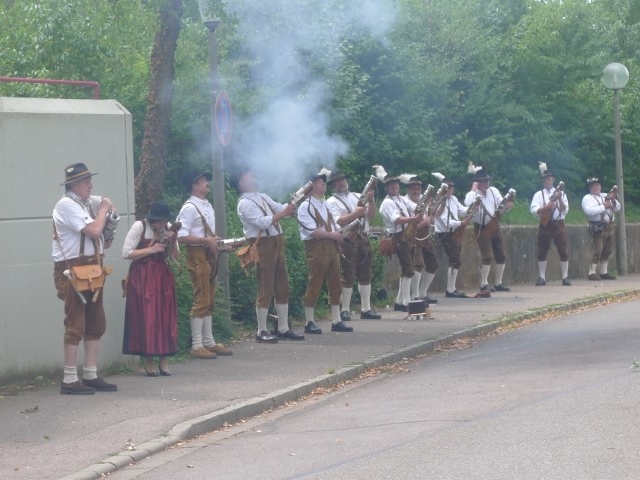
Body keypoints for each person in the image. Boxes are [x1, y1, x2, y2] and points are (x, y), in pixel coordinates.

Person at [52, 163, 118, 395]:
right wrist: (103, 211)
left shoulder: (83, 203)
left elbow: (103, 231)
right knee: (76, 322)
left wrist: (109, 214)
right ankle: (69, 379)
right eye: (85, 181)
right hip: (72, 269)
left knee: (96, 320)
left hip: (92, 267)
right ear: (73, 184)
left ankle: (90, 373)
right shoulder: (66, 204)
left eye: (90, 180)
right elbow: (93, 230)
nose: (91, 185)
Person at [231, 168, 305, 343]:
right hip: (263, 245)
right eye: (248, 174)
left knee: (282, 286)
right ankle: (261, 330)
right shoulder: (244, 203)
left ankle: (283, 328)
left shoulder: (262, 196)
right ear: (241, 181)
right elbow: (261, 222)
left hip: (276, 242)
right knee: (265, 288)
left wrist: (293, 205)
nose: (252, 175)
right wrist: (284, 213)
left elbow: (281, 209)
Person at [177, 170, 233, 359]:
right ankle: (196, 344)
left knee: (209, 300)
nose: (206, 183)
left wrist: (221, 244)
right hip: (196, 255)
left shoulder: (205, 205)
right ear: (194, 185)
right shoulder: (190, 207)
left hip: (208, 254)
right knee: (201, 298)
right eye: (202, 181)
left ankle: (208, 341)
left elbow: (207, 236)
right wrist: (206, 241)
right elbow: (181, 235)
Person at [122, 201, 179, 376]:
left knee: (165, 315)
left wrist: (173, 240)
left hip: (161, 275)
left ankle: (164, 360)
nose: (162, 225)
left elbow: (176, 256)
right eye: (159, 222)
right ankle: (148, 360)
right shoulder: (139, 227)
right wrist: (151, 249)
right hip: (142, 276)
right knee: (147, 316)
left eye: (164, 221)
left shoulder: (169, 228)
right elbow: (126, 253)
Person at [297, 171, 353, 334]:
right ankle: (309, 321)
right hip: (316, 247)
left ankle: (336, 320)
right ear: (311, 186)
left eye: (323, 181)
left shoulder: (325, 204)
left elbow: (334, 225)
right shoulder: (305, 206)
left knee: (335, 283)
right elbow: (312, 231)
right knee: (315, 283)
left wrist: (341, 234)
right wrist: (333, 235)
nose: (323, 184)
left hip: (331, 247)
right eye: (320, 182)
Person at [326, 171, 381, 320]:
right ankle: (345, 310)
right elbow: (339, 221)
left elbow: (371, 216)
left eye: (342, 180)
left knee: (366, 273)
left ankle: (366, 308)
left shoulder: (357, 195)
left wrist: (371, 201)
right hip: (347, 240)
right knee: (347, 275)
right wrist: (356, 213)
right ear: (332, 185)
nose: (341, 183)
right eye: (337, 181)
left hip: (363, 237)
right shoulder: (331, 201)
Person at [464, 168, 513, 293]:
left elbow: (500, 207)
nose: (486, 184)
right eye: (483, 181)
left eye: (486, 181)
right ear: (477, 183)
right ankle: (483, 283)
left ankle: (498, 282)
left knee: (501, 254)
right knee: (487, 256)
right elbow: (468, 204)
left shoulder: (493, 191)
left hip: (494, 225)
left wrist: (506, 207)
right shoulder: (473, 194)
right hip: (481, 227)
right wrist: (473, 189)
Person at [379, 174, 421, 311]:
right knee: (408, 269)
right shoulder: (387, 202)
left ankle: (399, 301)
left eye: (396, 184)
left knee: (408, 268)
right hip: (398, 236)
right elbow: (396, 219)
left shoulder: (401, 199)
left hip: (407, 235)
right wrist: (413, 219)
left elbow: (415, 207)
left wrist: (425, 205)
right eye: (391, 185)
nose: (395, 186)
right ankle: (406, 301)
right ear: (386, 188)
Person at [530, 163, 571, 286]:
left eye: (550, 179)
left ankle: (565, 277)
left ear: (553, 180)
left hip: (558, 223)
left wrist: (558, 199)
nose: (548, 181)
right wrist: (545, 207)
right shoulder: (538, 194)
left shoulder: (561, 193)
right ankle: (542, 277)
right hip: (545, 223)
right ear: (543, 181)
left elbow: (565, 210)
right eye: (546, 179)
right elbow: (533, 210)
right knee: (542, 249)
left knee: (563, 249)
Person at [433, 174, 472, 298]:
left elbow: (462, 210)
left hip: (454, 232)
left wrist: (472, 207)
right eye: (448, 188)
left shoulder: (454, 199)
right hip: (445, 233)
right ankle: (450, 290)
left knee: (455, 259)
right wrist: (461, 223)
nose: (450, 190)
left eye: (451, 187)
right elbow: (445, 221)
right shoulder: (439, 201)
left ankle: (452, 288)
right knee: (455, 259)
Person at [402, 176, 439, 304]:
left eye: (418, 189)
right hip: (412, 236)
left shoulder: (424, 199)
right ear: (408, 189)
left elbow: (434, 216)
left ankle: (423, 293)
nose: (416, 191)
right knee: (418, 265)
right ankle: (415, 295)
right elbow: (411, 224)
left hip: (425, 235)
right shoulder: (404, 202)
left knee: (433, 263)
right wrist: (427, 221)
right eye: (413, 189)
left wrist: (439, 203)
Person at [581, 177, 621, 281]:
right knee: (597, 249)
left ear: (600, 186)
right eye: (593, 186)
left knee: (607, 249)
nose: (595, 187)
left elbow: (618, 208)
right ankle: (592, 272)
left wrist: (612, 199)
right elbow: (589, 211)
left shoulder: (605, 195)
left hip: (609, 225)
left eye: (597, 185)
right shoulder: (587, 198)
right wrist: (604, 206)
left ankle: (604, 272)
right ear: (590, 187)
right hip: (597, 225)